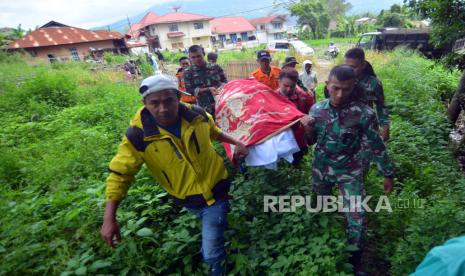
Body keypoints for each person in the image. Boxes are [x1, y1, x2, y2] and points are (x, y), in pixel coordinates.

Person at [100, 74, 248, 276]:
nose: (163, 108)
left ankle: (217, 266)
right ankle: (222, 234)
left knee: (212, 251)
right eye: (155, 103)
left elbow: (214, 132)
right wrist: (109, 218)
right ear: (144, 103)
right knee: (214, 229)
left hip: (217, 190)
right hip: (187, 199)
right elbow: (120, 174)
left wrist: (236, 142)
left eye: (169, 100)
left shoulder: (197, 116)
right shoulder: (138, 136)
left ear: (178, 97)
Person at [307, 65, 395, 274]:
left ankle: (354, 262)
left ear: (353, 87)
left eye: (346, 89)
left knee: (358, 217)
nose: (340, 94)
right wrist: (308, 127)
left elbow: (376, 145)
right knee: (320, 207)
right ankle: (323, 248)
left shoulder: (363, 113)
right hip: (322, 169)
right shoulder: (316, 110)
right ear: (327, 85)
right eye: (335, 88)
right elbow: (310, 142)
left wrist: (387, 173)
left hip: (350, 170)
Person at [344, 47, 390, 142]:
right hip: (345, 128)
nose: (349, 70)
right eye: (346, 66)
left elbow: (381, 106)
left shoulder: (374, 83)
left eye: (353, 67)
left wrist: (385, 127)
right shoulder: (342, 81)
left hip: (368, 127)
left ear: (363, 65)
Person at [276, 68, 315, 165]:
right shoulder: (272, 98)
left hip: (299, 142)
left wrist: (308, 121)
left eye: (292, 86)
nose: (288, 89)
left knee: (298, 166)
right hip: (279, 142)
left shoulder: (305, 97)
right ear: (279, 82)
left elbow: (312, 116)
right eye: (285, 86)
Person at [183, 45, 228, 117]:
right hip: (204, 108)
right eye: (193, 57)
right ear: (189, 58)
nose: (197, 59)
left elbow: (225, 83)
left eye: (199, 56)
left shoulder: (216, 67)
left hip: (221, 103)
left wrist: (219, 88)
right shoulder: (188, 72)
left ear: (203, 54)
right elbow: (189, 91)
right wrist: (208, 89)